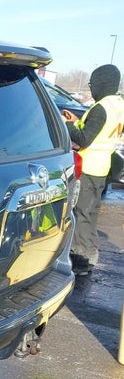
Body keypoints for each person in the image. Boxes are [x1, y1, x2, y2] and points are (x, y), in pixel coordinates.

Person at [63, 64, 124, 275]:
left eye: (92, 83)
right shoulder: (117, 105)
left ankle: (81, 260)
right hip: (102, 166)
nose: (91, 88)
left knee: (81, 214)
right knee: (90, 213)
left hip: (88, 167)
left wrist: (68, 126)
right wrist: (79, 121)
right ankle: (89, 255)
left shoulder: (101, 108)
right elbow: (99, 132)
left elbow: (83, 140)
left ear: (101, 83)